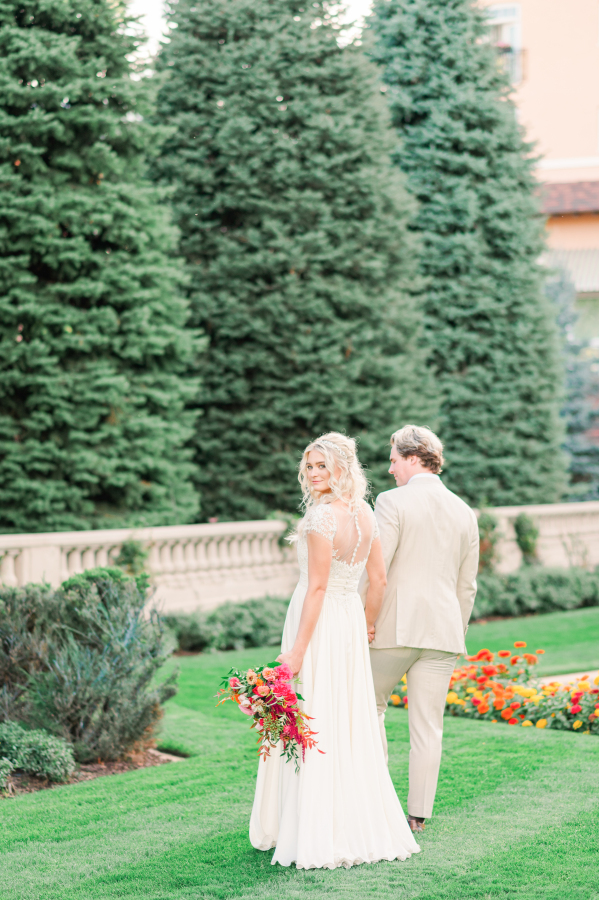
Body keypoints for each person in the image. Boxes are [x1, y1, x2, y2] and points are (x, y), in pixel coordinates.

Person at [249, 432, 420, 869]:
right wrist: (365, 622)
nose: (313, 473)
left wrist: (296, 653)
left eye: (322, 465)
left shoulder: (324, 518)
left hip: (321, 622)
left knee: (316, 716)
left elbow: (318, 587)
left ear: (343, 467)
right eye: (309, 466)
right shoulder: (365, 513)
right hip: (346, 622)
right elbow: (377, 581)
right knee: (345, 717)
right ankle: (352, 822)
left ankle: (317, 831)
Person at [364, 424, 479, 834]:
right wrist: (457, 629)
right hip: (445, 631)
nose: (390, 467)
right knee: (429, 726)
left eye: (393, 458)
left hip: (393, 626)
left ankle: (376, 802)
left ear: (413, 457)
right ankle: (418, 815)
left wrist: (365, 619)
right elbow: (468, 585)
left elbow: (377, 569)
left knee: (368, 707)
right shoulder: (465, 511)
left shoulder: (392, 502)